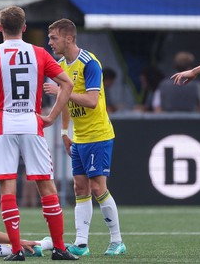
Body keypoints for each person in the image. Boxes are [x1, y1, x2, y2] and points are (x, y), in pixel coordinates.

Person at [0, 6, 77, 261]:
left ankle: (16, 251)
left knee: (7, 187)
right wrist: (52, 116)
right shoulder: (39, 53)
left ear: (0, 28)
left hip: (4, 124)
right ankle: (59, 248)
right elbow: (66, 84)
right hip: (31, 123)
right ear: (25, 28)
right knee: (46, 186)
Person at [44, 18, 126, 256]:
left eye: (54, 38)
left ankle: (117, 241)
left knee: (98, 187)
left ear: (69, 38)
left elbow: (91, 101)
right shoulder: (62, 65)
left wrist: (64, 91)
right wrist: (64, 132)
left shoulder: (90, 63)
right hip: (79, 137)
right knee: (80, 187)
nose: (50, 42)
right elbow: (65, 104)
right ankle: (81, 243)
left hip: (98, 134)